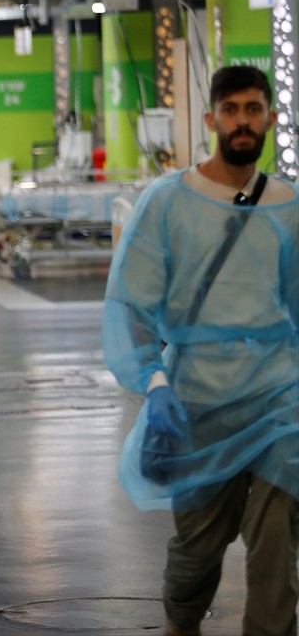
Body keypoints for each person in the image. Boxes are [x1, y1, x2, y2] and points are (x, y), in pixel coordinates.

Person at [102, 65, 297, 636]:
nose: (244, 121)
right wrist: (155, 385)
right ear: (212, 119)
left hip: (276, 401)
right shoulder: (167, 203)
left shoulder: (287, 206)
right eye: (232, 110)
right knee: (197, 552)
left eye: (254, 109)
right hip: (196, 402)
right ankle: (180, 624)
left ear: (270, 118)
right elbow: (131, 306)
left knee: (276, 548)